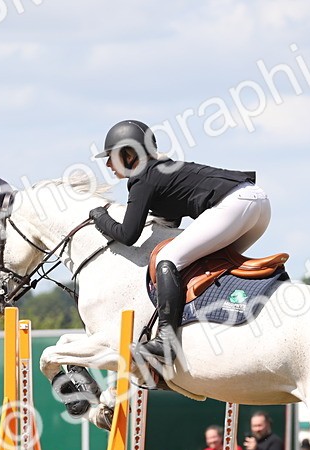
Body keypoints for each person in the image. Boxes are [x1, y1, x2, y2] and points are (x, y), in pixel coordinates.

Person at [88, 120, 271, 361]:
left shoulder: (143, 177)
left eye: (111, 156)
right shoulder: (161, 171)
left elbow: (127, 235)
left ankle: (166, 342)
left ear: (129, 153)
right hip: (258, 203)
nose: (108, 164)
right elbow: (169, 223)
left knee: (168, 259)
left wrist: (100, 217)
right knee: (210, 264)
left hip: (235, 204)